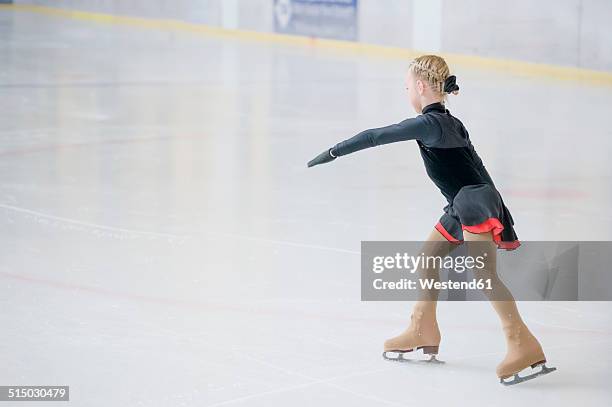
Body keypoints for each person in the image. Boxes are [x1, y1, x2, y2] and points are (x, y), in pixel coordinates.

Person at [307, 55, 556, 385]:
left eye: (407, 86)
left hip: (471, 203)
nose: (407, 92)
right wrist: (498, 208)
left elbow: (376, 136)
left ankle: (521, 343)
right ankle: (421, 328)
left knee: (484, 274)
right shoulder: (451, 121)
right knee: (428, 257)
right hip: (466, 202)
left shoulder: (429, 124)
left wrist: (334, 152)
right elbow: (477, 167)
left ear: (421, 87)